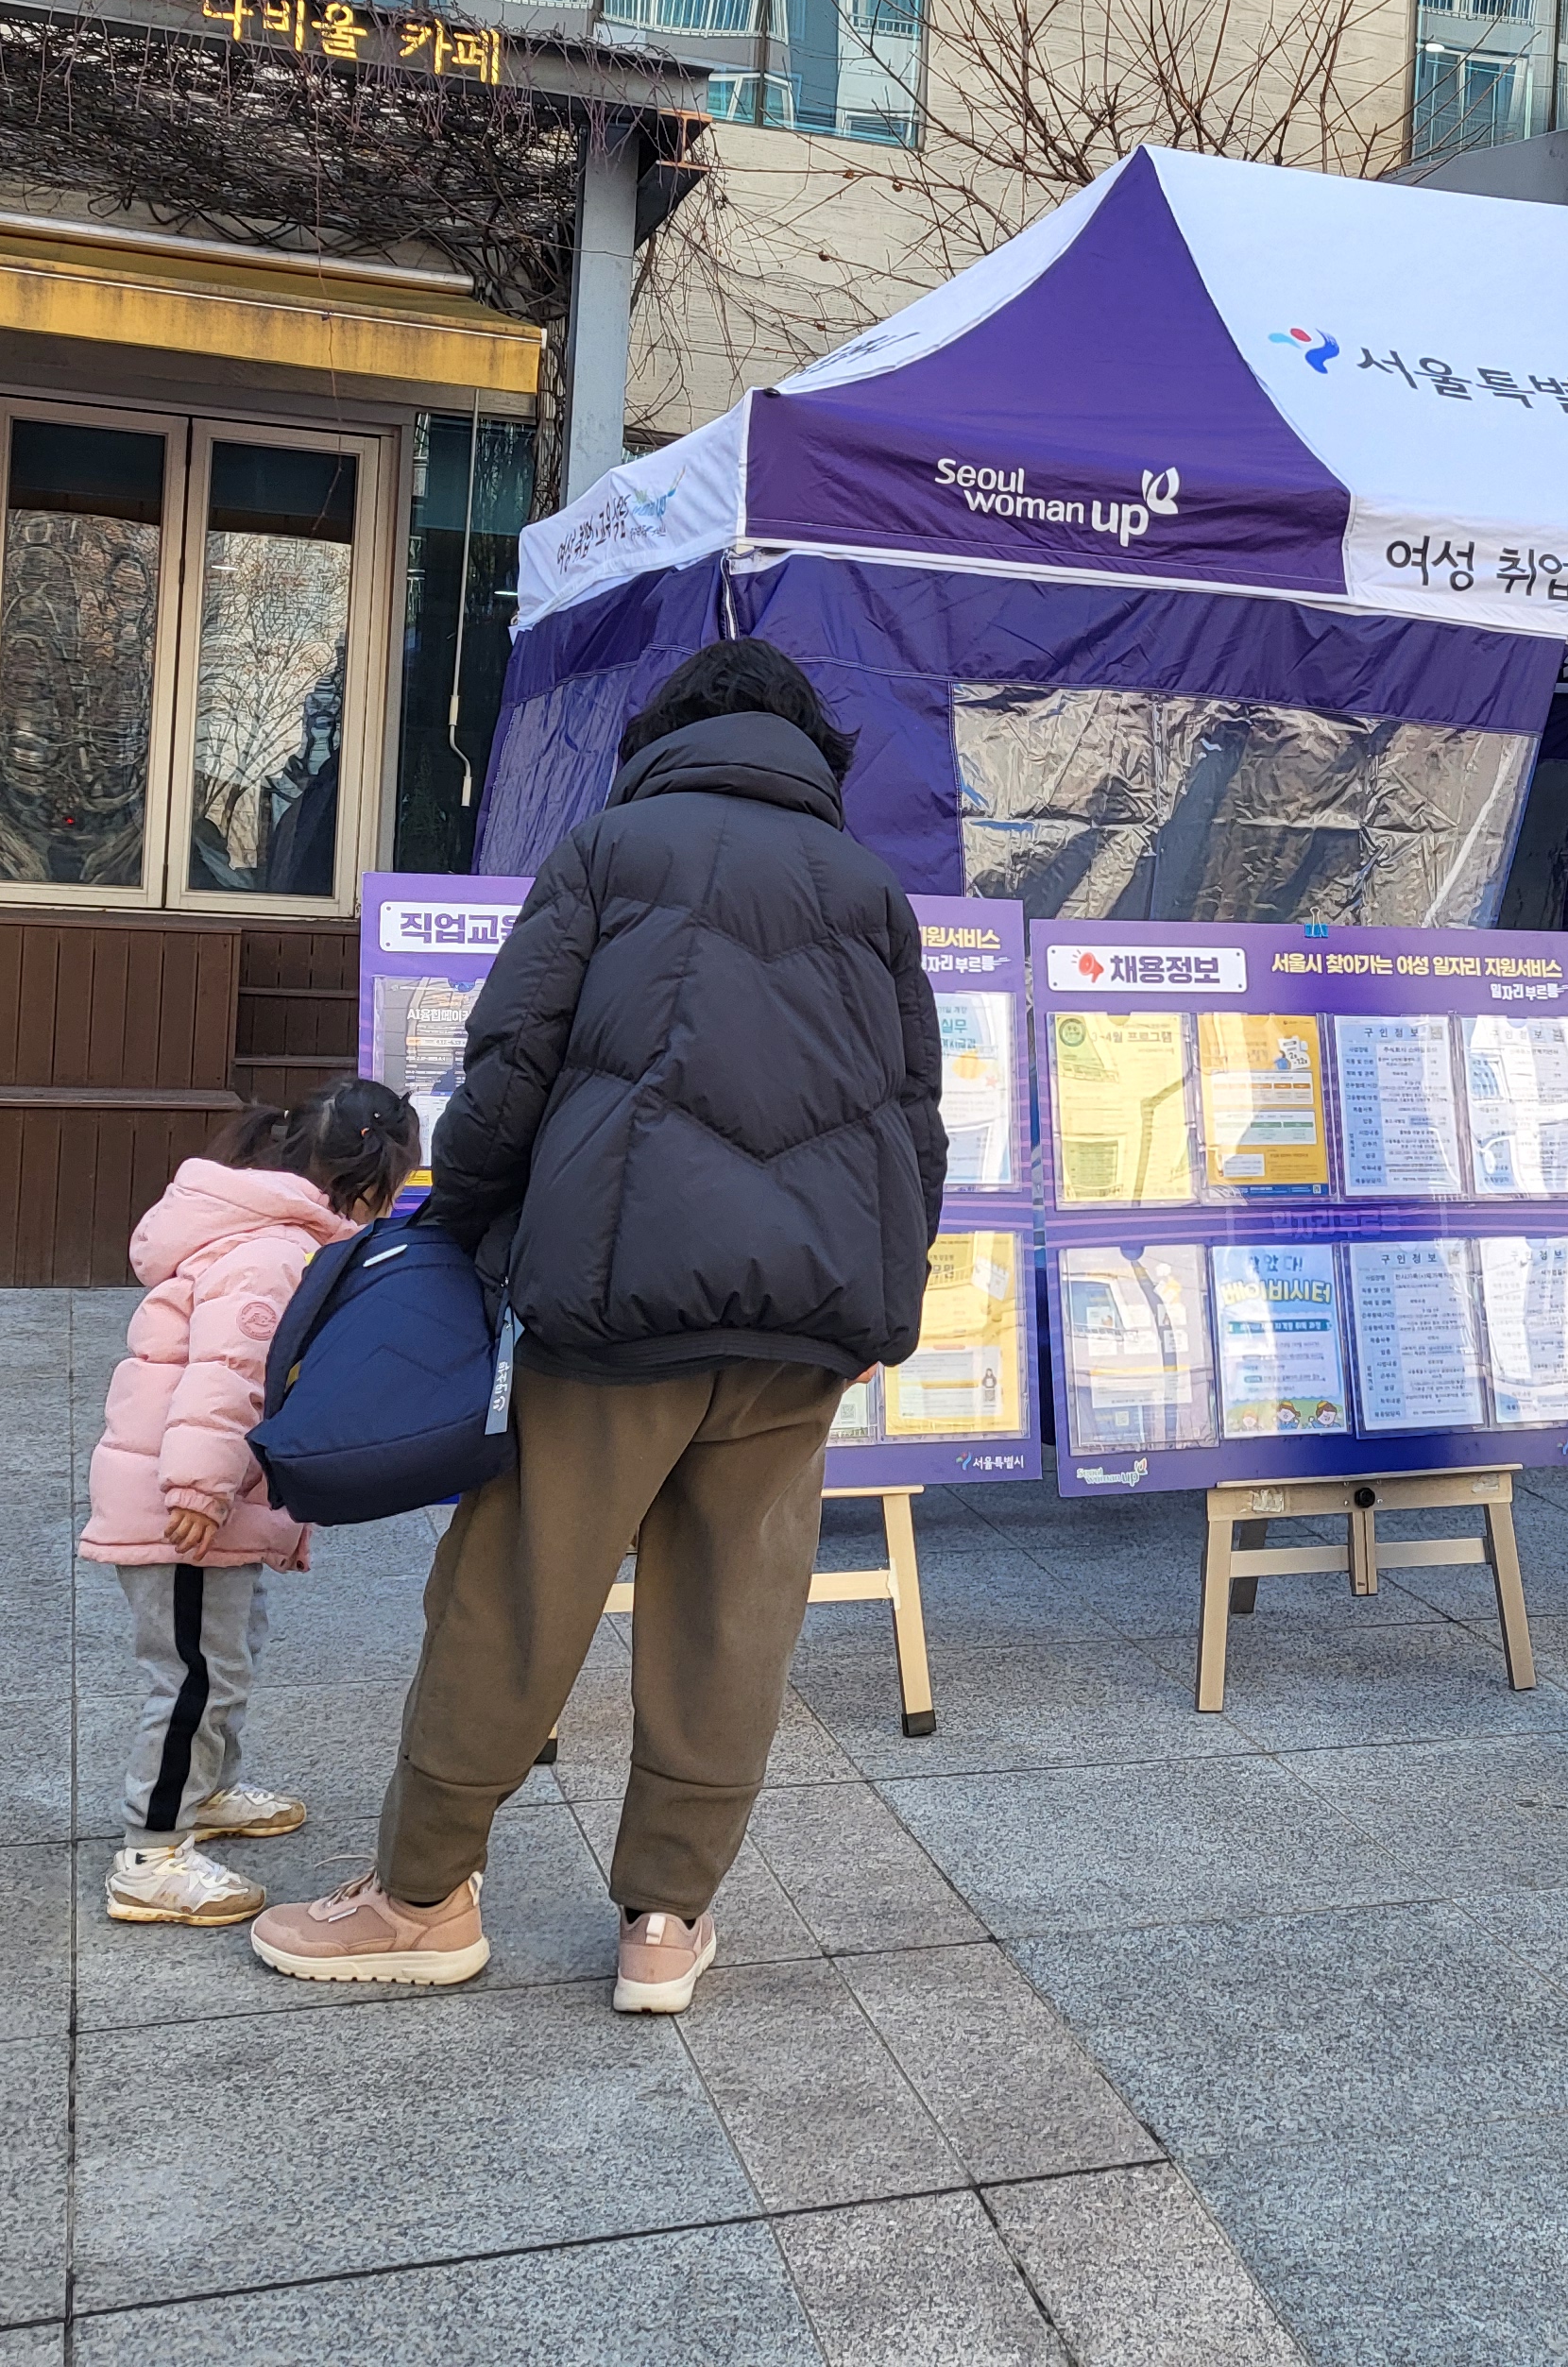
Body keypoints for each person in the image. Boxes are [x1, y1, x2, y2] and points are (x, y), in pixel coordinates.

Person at [250, 639, 948, 2014]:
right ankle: (666, 1924)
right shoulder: (871, 888)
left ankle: (421, 1898)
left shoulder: (611, 849)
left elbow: (511, 1068)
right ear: (812, 752)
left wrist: (457, 1222)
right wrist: (889, 1294)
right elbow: (913, 1118)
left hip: (616, 1296)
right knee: (732, 1615)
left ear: (664, 736)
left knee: (516, 1591)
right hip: (806, 1317)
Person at [81, 1079, 422, 1928]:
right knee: (193, 1675)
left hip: (204, 1495)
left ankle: (208, 1791)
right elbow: (228, 1380)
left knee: (222, 1658)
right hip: (186, 1505)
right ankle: (152, 1855)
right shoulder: (272, 1252)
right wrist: (200, 1489)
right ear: (366, 1182)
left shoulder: (262, 1231)